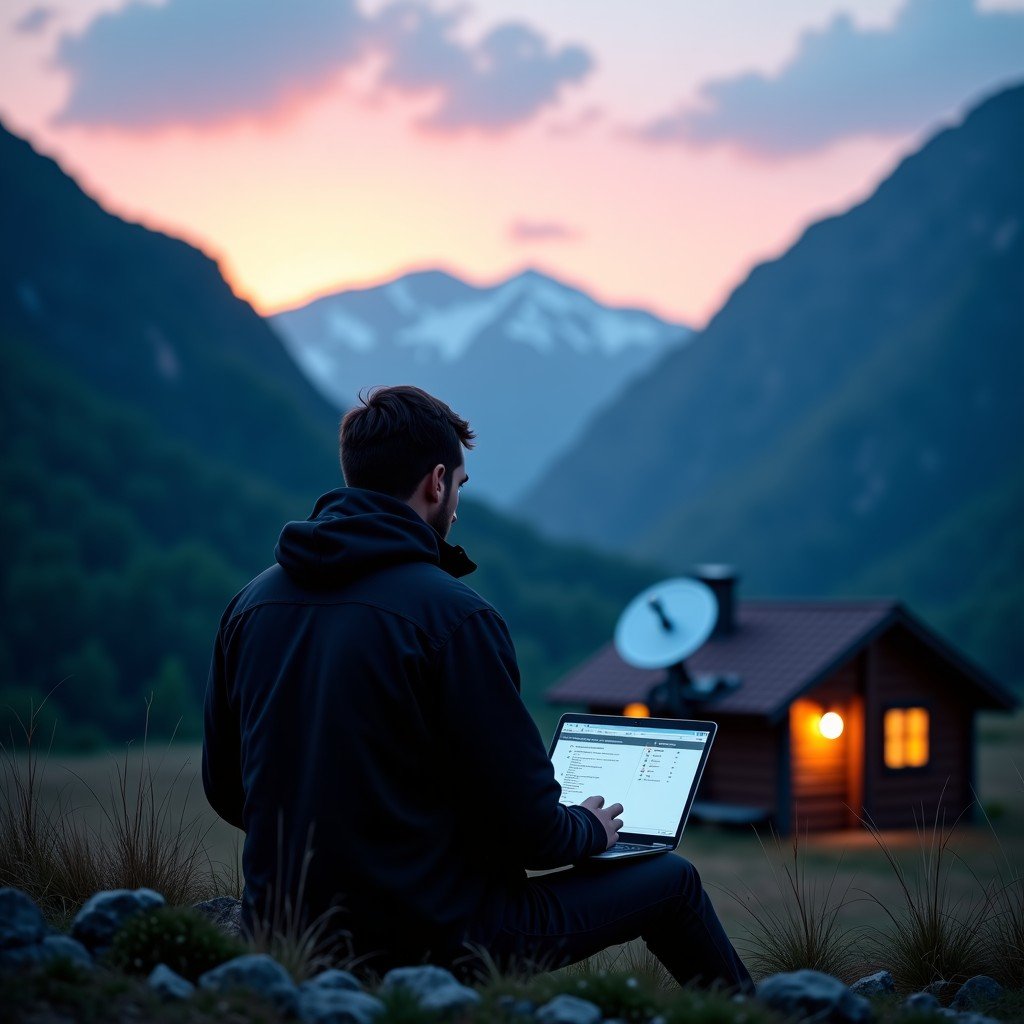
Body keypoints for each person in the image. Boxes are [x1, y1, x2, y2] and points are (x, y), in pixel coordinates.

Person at [202, 384, 751, 990]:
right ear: (436, 482)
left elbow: (228, 792)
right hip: (442, 939)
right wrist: (590, 827)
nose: (456, 505)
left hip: (282, 933)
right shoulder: (455, 618)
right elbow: (534, 833)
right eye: (459, 486)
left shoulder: (250, 605)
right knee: (671, 880)